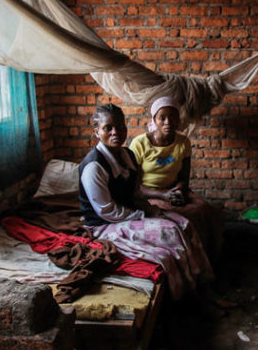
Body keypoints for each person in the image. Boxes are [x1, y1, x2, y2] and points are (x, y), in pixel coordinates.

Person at [79, 103, 214, 300]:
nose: (116, 132)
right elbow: (106, 211)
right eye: (108, 128)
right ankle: (186, 294)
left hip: (129, 214)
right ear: (96, 132)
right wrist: (143, 215)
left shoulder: (127, 155)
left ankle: (205, 283)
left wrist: (150, 208)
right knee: (170, 232)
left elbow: (134, 192)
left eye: (120, 126)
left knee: (185, 224)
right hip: (104, 225)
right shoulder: (94, 166)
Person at [129, 96, 224, 260]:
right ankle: (182, 258)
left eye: (173, 116)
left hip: (174, 191)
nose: (168, 122)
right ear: (154, 119)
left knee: (204, 211)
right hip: (149, 195)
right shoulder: (140, 143)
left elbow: (184, 178)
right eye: (162, 117)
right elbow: (134, 186)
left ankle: (206, 257)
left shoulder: (183, 142)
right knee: (173, 219)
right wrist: (163, 195)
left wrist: (179, 191)